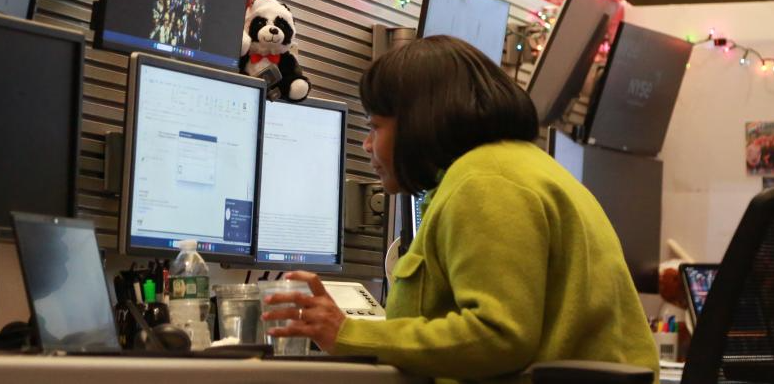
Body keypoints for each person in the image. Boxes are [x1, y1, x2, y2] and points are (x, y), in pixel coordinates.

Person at [263, 35, 658, 381]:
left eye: (375, 126)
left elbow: (498, 337)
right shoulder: (517, 167)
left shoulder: (486, 183)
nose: (367, 145)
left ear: (418, 122)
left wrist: (349, 333)